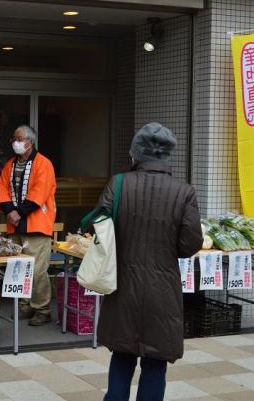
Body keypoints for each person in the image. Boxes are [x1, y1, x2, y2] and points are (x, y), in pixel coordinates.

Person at [98, 123, 203, 401]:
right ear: (167, 155)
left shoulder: (119, 183)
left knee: (122, 357)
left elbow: (99, 226)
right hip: (162, 291)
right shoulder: (184, 192)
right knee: (155, 365)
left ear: (135, 153)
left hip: (123, 287)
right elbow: (190, 244)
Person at [0, 124, 57, 326]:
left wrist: (18, 212)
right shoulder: (10, 164)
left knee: (38, 270)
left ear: (30, 142)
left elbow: (39, 193)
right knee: (20, 266)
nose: (15, 142)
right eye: (13, 139)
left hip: (36, 224)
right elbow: (2, 188)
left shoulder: (43, 164)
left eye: (19, 139)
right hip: (16, 224)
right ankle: (26, 304)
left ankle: (42, 308)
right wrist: (9, 212)